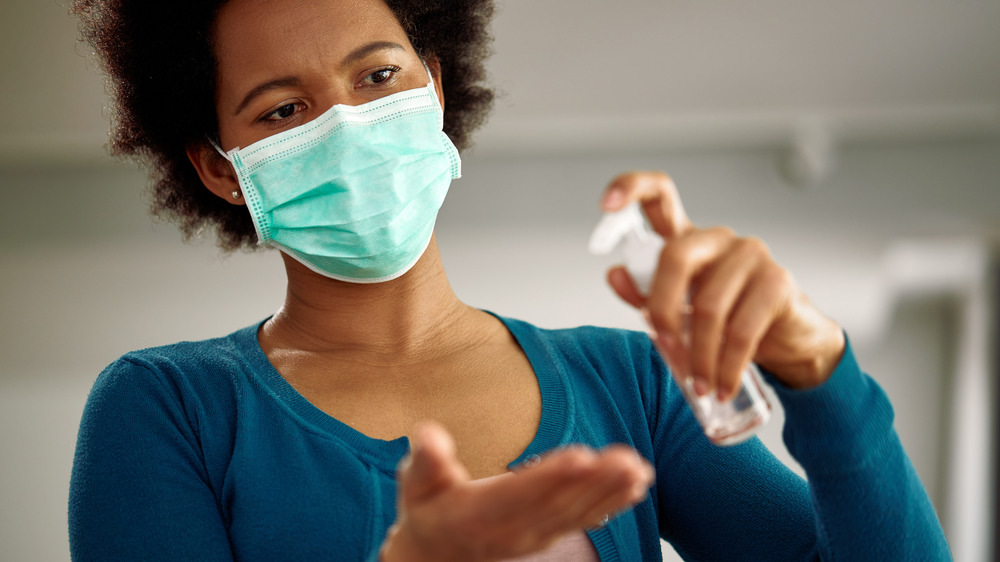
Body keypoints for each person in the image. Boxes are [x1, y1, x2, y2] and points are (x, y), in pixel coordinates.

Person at [67, 0, 951, 560]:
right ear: (221, 168)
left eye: (379, 76)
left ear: (434, 90)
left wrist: (822, 373)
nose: (350, 126)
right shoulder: (169, 411)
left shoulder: (629, 385)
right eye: (284, 110)